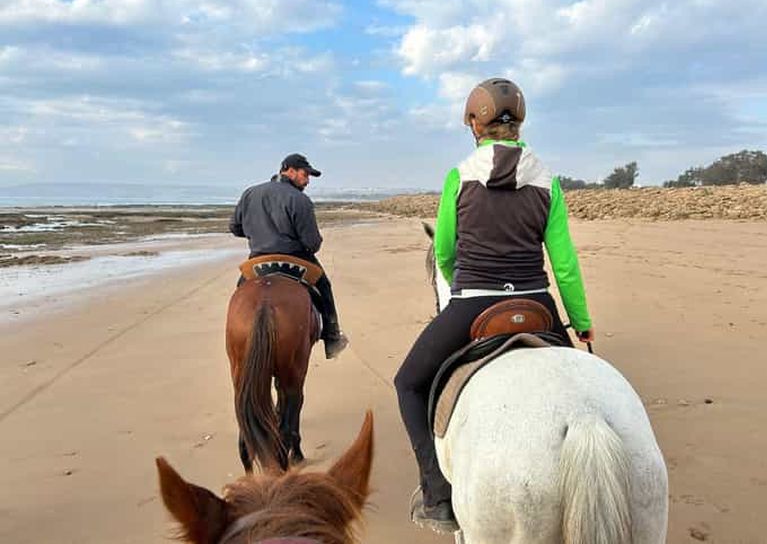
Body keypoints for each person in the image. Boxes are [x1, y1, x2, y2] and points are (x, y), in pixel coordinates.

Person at [394, 78, 594, 532]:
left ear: (473, 124)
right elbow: (564, 265)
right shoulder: (547, 180)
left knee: (407, 383)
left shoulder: (458, 176)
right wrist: (581, 322)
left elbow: (444, 250)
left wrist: (457, 273)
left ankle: (437, 494)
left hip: (473, 306)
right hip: (537, 304)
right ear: (519, 123)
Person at [229, 153, 348, 360]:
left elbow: (235, 227)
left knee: (241, 291)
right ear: (289, 170)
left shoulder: (250, 193)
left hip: (258, 258)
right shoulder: (300, 199)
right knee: (324, 287)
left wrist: (258, 234)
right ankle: (332, 336)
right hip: (296, 258)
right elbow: (312, 243)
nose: (307, 180)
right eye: (305, 174)